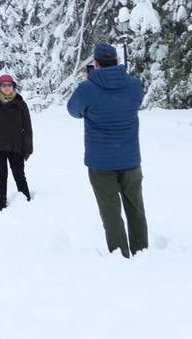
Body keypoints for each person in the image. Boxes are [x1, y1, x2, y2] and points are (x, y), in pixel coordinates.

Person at [67, 42, 147, 258]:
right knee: (136, 208)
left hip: (101, 161)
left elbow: (73, 111)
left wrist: (89, 84)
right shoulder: (133, 85)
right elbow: (135, 101)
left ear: (96, 63)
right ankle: (142, 252)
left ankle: (120, 256)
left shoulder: (87, 89)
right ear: (117, 62)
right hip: (130, 158)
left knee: (110, 211)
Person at [0, 74, 33, 210]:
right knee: (1, 174)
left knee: (19, 174)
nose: (7, 88)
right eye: (4, 85)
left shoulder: (21, 104)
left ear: (13, 87)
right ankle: (1, 204)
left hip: (16, 146)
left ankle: (27, 201)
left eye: (9, 85)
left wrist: (28, 148)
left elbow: (27, 128)